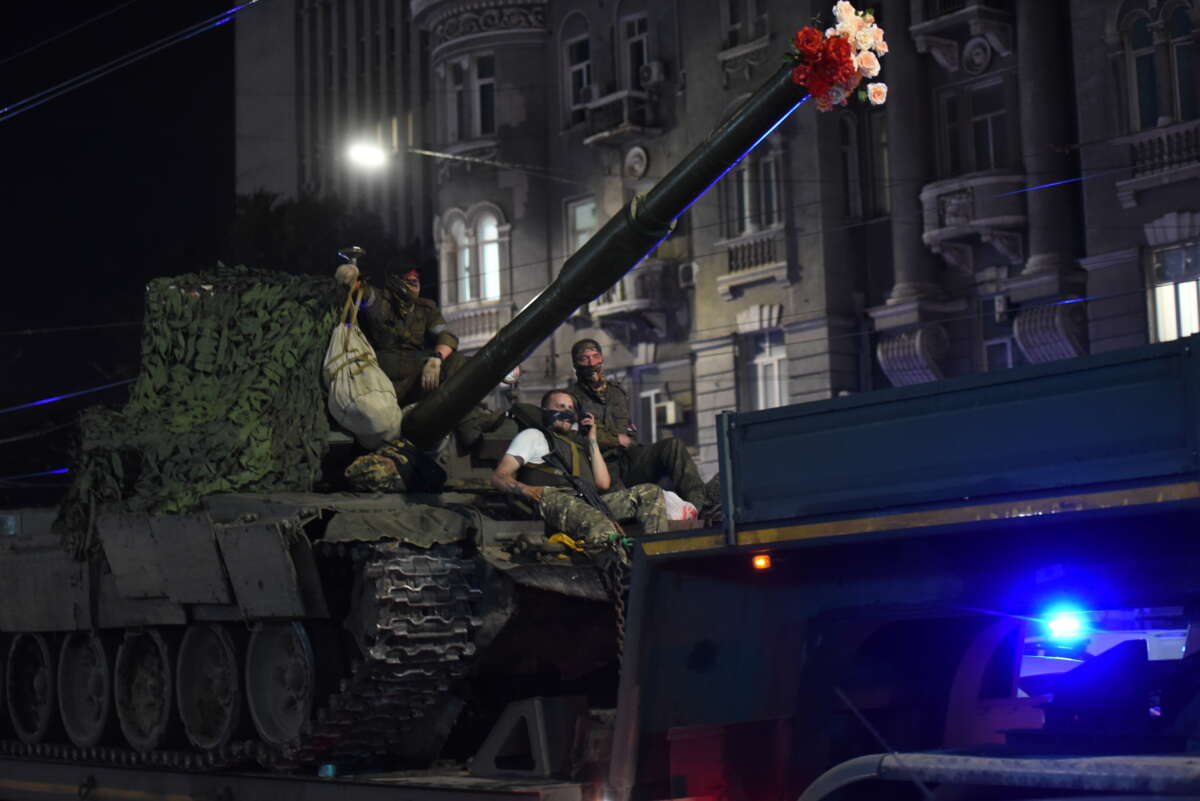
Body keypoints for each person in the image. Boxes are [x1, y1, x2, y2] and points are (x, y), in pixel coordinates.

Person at [490, 390, 668, 547]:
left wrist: (592, 439)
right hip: (553, 500)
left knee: (650, 493)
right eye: (561, 407)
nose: (567, 412)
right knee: (599, 523)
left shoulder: (576, 447)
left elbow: (603, 483)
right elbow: (499, 477)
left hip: (584, 502)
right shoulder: (533, 436)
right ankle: (622, 573)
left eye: (570, 408)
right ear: (546, 412)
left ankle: (654, 557)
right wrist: (529, 490)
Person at [565, 338, 708, 511]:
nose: (591, 363)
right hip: (601, 466)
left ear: (602, 359)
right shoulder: (569, 398)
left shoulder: (616, 392)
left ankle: (699, 506)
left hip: (629, 458)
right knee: (623, 505)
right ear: (576, 364)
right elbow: (575, 436)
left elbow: (628, 428)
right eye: (585, 359)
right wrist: (615, 440)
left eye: (595, 357)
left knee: (672, 446)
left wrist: (627, 441)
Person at [334, 262, 464, 406]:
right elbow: (361, 292)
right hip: (382, 377)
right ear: (395, 280)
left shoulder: (425, 308)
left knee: (458, 362)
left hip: (415, 373)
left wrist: (436, 359)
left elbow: (446, 335)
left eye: (417, 278)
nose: (415, 282)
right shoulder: (379, 300)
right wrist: (351, 277)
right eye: (410, 278)